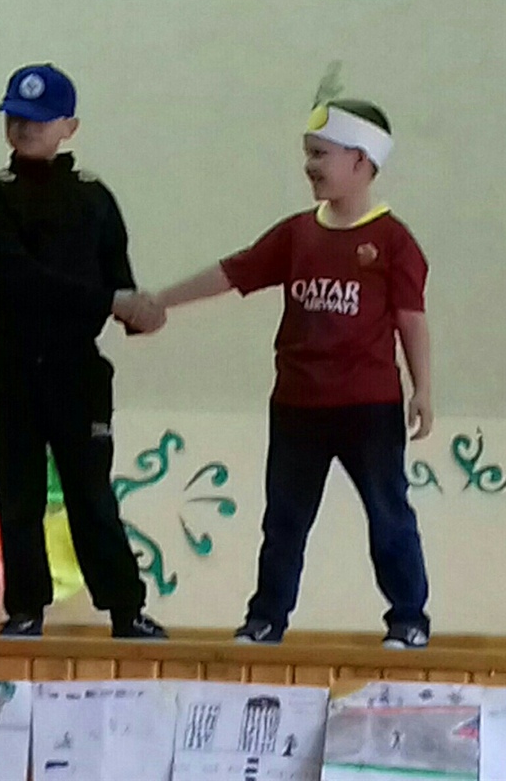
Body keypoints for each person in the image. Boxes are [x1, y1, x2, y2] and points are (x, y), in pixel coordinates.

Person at [155, 87, 433, 649]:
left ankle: (408, 618)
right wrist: (159, 301)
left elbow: (411, 318)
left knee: (388, 516)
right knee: (284, 521)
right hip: (297, 407)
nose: (309, 165)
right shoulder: (296, 234)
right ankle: (266, 618)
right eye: (307, 153)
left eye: (320, 154)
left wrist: (423, 388)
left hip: (369, 407)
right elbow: (233, 273)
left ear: (361, 161)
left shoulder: (393, 241)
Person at [0, 63, 168, 639]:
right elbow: (16, 277)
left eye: (39, 118)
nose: (25, 128)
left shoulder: (94, 197)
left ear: (69, 126)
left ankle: (126, 608)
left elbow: (118, 277)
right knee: (19, 493)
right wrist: (110, 300)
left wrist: (138, 312)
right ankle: (25, 609)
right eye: (15, 117)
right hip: (10, 362)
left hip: (76, 368)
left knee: (91, 492)